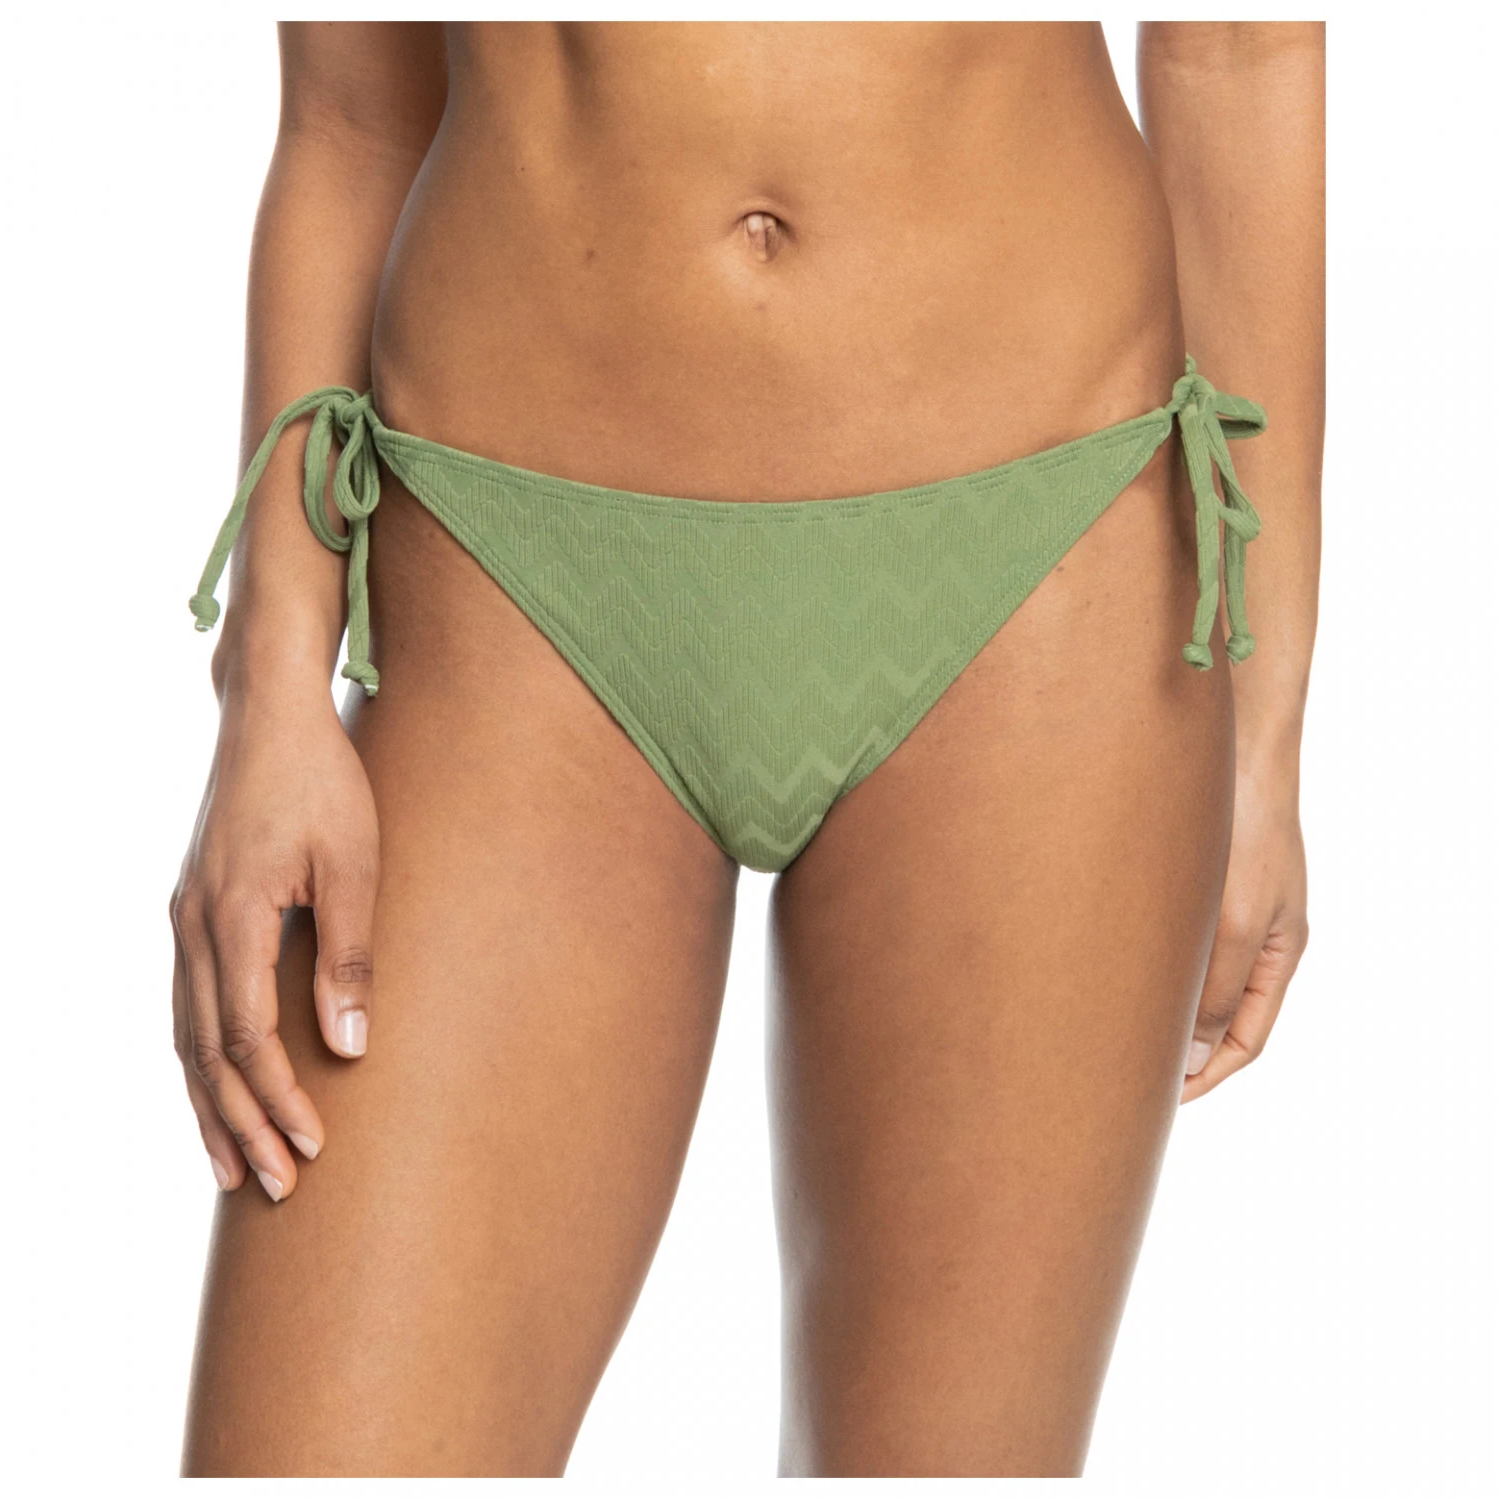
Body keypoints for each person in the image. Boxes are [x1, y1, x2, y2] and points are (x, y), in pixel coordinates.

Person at [170, 21, 1324, 1477]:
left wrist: (1265, 738)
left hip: (1043, 550)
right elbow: (352, 119)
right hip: (508, 580)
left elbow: (1239, 56)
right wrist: (271, 681)